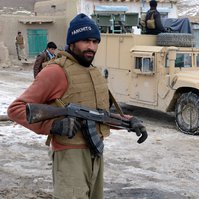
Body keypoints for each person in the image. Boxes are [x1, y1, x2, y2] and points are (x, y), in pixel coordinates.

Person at [7, 13, 147, 199]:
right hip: (70, 156)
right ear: (72, 42)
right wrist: (53, 126)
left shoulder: (93, 72)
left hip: (96, 153)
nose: (91, 47)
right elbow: (15, 109)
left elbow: (99, 115)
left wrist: (129, 122)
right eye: (85, 41)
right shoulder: (56, 71)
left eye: (95, 41)